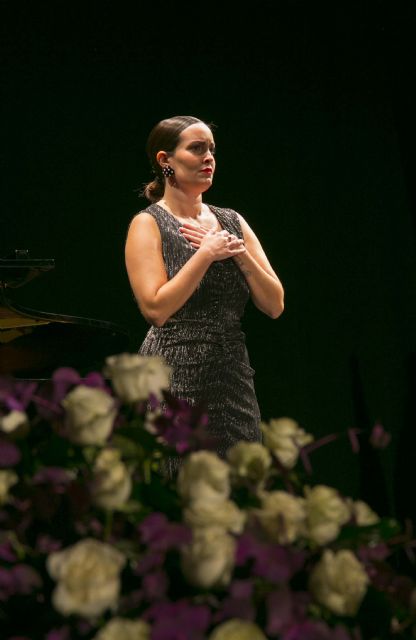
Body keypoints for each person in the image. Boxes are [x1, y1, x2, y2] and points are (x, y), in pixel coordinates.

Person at [125, 115, 284, 470]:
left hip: (231, 373)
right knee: (179, 486)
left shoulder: (232, 222)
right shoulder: (148, 224)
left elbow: (274, 305)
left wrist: (238, 253)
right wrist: (206, 254)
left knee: (241, 487)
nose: (208, 157)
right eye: (197, 149)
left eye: (211, 149)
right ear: (166, 161)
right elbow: (155, 309)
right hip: (173, 374)